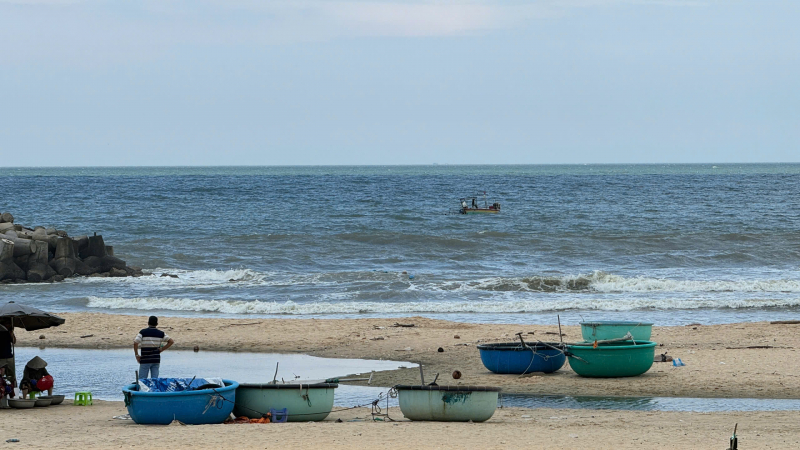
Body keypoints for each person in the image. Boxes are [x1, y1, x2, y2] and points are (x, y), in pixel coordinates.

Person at [0, 319, 15, 391]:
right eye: (7, 323)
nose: (8, 325)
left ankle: (13, 389)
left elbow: (14, 341)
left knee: (12, 374)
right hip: (1, 357)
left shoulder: (9, 332)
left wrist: (11, 332)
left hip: (9, 356)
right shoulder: (1, 331)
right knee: (1, 375)